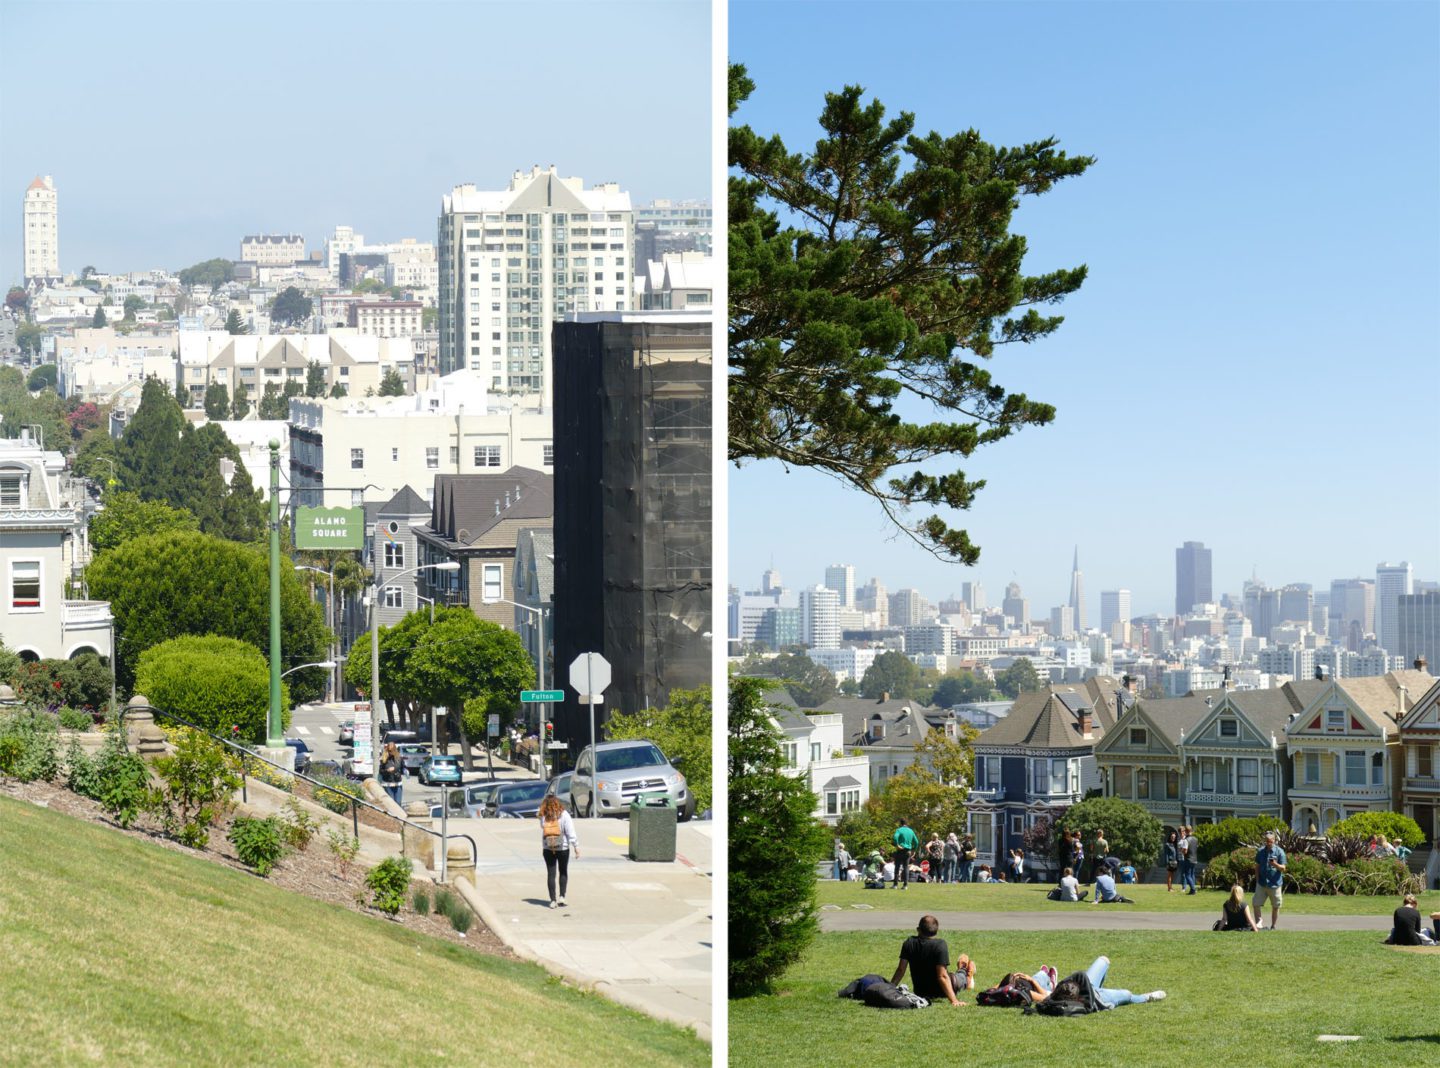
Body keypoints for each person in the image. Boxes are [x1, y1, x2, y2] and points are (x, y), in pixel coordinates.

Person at [1019, 956, 1165, 1008]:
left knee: (1104, 960)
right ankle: (1146, 997)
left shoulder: (1053, 999)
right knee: (1127, 995)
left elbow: (1040, 995)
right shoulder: (1069, 1004)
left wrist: (1032, 980)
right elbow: (1037, 996)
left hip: (1087, 986)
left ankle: (1047, 979)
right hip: (1098, 997)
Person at [891, 914, 973, 1006]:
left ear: (918, 929)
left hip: (921, 992)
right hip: (943, 992)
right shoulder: (940, 945)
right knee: (956, 978)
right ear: (936, 931)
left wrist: (890, 989)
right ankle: (964, 971)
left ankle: (965, 973)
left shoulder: (909, 943)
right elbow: (942, 976)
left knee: (952, 976)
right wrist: (954, 1000)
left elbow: (900, 970)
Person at [538, 793, 579, 909]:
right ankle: (562, 896)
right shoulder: (564, 815)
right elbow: (570, 832)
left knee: (551, 874)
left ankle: (552, 900)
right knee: (563, 871)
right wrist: (576, 846)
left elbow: (542, 827)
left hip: (548, 847)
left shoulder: (543, 816)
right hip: (563, 847)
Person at [1253, 830, 1287, 929]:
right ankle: (1259, 923)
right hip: (1262, 883)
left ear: (1274, 840)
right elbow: (1257, 866)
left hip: (1275, 884)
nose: (1268, 843)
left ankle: (1273, 925)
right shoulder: (1260, 851)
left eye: (1270, 841)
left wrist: (1275, 864)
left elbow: (1283, 868)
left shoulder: (1280, 852)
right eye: (1266, 841)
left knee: (1276, 906)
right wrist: (1257, 879)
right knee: (1256, 903)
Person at [892, 818, 920, 889]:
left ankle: (895, 885)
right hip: (908, 851)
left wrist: (897, 845)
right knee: (906, 868)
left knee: (897, 867)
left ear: (900, 823)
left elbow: (895, 838)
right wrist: (914, 850)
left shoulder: (899, 830)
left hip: (900, 850)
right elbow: (916, 842)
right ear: (907, 823)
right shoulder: (911, 831)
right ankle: (905, 885)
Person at [1179, 825, 1199, 895]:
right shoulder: (1196, 839)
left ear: (1186, 831)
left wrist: (1181, 850)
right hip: (1195, 859)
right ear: (1191, 830)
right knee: (1192, 874)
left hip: (1188, 859)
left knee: (1187, 875)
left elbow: (1185, 851)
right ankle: (1192, 889)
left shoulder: (1186, 840)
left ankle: (1193, 889)